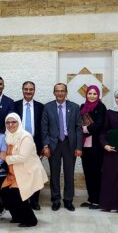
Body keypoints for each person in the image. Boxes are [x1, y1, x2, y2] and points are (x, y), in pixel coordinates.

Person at [0, 113, 49, 227]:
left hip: (26, 171)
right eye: (8, 122)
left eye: (13, 122)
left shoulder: (25, 136)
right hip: (13, 172)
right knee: (5, 192)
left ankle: (31, 220)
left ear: (19, 122)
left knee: (17, 194)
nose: (10, 125)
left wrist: (5, 158)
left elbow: (23, 157)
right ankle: (17, 216)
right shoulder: (6, 136)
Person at [41, 83, 82, 211]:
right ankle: (56, 200)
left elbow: (78, 128)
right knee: (55, 174)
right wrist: (45, 146)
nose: (60, 93)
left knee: (69, 174)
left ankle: (68, 200)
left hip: (70, 144)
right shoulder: (48, 107)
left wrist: (79, 147)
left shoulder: (74, 107)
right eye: (57, 91)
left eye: (62, 91)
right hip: (54, 144)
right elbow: (44, 128)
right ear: (54, 93)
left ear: (66, 92)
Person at [13, 81, 45, 210]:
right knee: (20, 173)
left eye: (31, 89)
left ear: (34, 91)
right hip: (18, 144)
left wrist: (44, 145)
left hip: (35, 145)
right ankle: (22, 200)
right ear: (22, 90)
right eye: (26, 89)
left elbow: (43, 127)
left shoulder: (40, 107)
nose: (28, 91)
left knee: (34, 173)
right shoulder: (15, 105)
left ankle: (34, 201)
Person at [79, 85, 107, 209]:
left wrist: (85, 129)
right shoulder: (82, 107)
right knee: (88, 172)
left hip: (96, 146)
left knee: (96, 173)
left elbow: (100, 125)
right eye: (89, 93)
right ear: (86, 94)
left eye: (94, 94)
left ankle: (98, 200)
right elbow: (78, 122)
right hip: (84, 145)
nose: (92, 96)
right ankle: (91, 199)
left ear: (98, 95)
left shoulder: (101, 107)